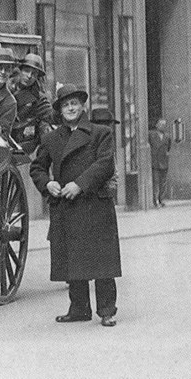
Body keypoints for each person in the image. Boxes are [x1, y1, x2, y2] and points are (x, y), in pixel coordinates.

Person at [30, 85, 121, 327]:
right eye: (65, 104)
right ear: (59, 110)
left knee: (102, 262)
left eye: (75, 103)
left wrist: (79, 185)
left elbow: (105, 164)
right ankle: (79, 309)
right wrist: (48, 184)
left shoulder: (100, 133)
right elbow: (37, 168)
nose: (70, 108)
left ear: (82, 107)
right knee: (73, 260)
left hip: (95, 203)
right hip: (66, 206)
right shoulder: (51, 139)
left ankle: (106, 310)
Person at [11, 53, 53, 155]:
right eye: (26, 71)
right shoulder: (5, 89)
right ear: (20, 70)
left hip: (25, 150)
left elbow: (50, 116)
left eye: (34, 73)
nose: (29, 76)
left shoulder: (39, 98)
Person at [91, 107, 121, 199]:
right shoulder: (94, 143)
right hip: (97, 193)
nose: (111, 129)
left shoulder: (107, 141)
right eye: (109, 125)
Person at [149, 118, 171, 208]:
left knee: (163, 183)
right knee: (156, 182)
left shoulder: (167, 136)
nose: (162, 126)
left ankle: (161, 199)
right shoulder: (151, 135)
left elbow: (169, 147)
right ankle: (156, 201)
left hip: (164, 162)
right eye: (161, 124)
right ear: (157, 125)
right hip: (155, 162)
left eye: (164, 125)